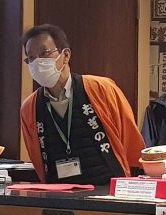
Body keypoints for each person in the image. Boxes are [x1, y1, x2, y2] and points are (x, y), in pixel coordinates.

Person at [19, 24, 145, 185]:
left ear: (65, 55)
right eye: (31, 58)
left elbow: (130, 139)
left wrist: (132, 185)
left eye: (44, 53)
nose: (37, 62)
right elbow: (37, 158)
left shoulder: (101, 88)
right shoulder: (29, 107)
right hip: (57, 194)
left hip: (107, 188)